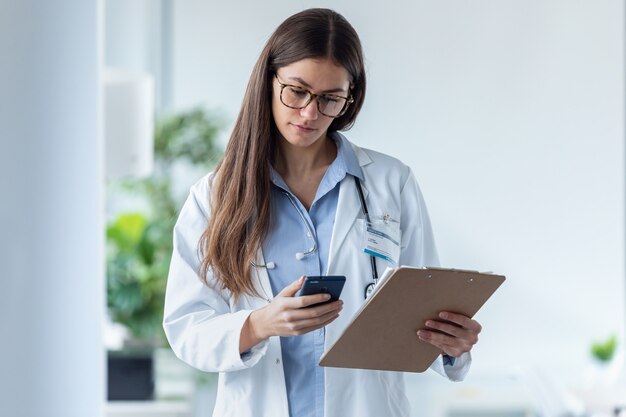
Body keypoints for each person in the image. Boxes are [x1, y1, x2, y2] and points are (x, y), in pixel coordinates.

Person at [163, 8, 482, 417]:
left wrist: (451, 346)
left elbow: (422, 306)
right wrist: (260, 324)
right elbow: (186, 328)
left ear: (350, 99)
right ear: (268, 81)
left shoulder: (390, 182)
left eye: (330, 99)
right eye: (296, 91)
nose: (310, 113)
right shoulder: (214, 196)